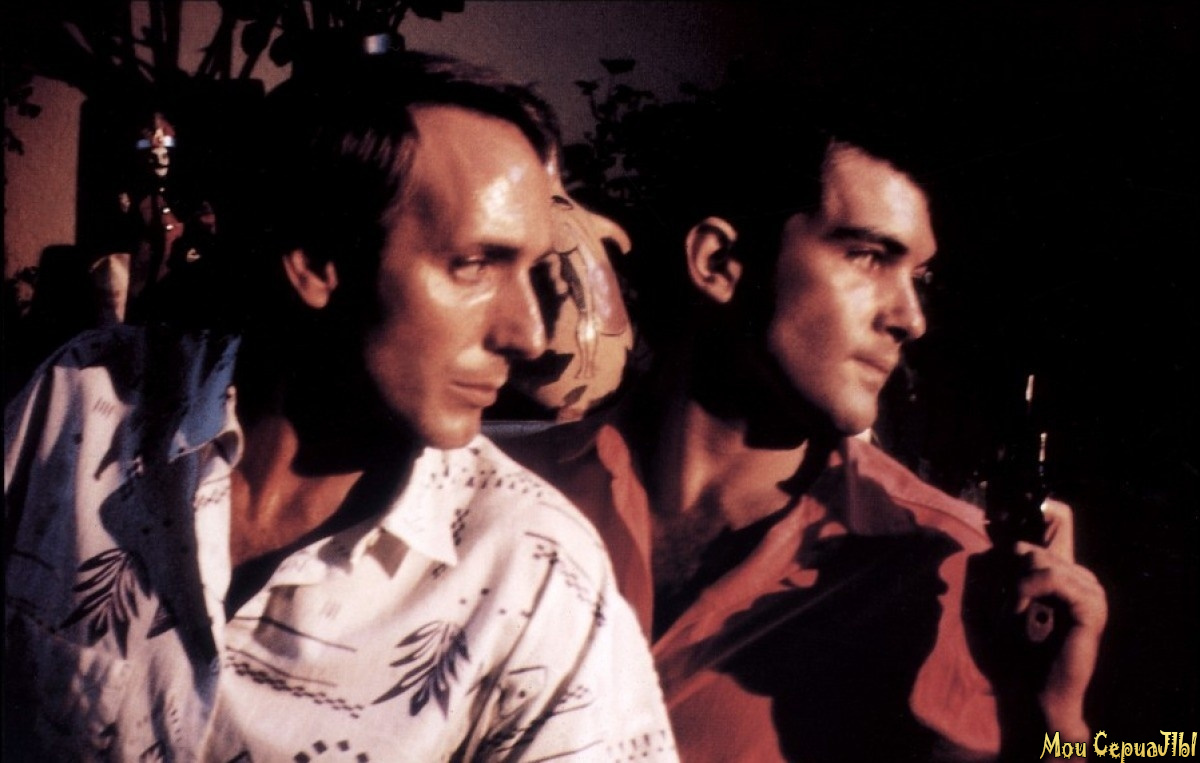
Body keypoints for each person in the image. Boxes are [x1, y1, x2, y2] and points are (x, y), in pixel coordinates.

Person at [4, 46, 676, 762]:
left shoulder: (536, 573)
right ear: (319, 261)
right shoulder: (80, 402)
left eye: (532, 270)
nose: (530, 335)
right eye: (476, 265)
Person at [501, 87, 1107, 761]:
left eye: (919, 276)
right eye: (868, 256)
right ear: (718, 263)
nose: (910, 318)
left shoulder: (945, 565)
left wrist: (1052, 723)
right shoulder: (498, 488)